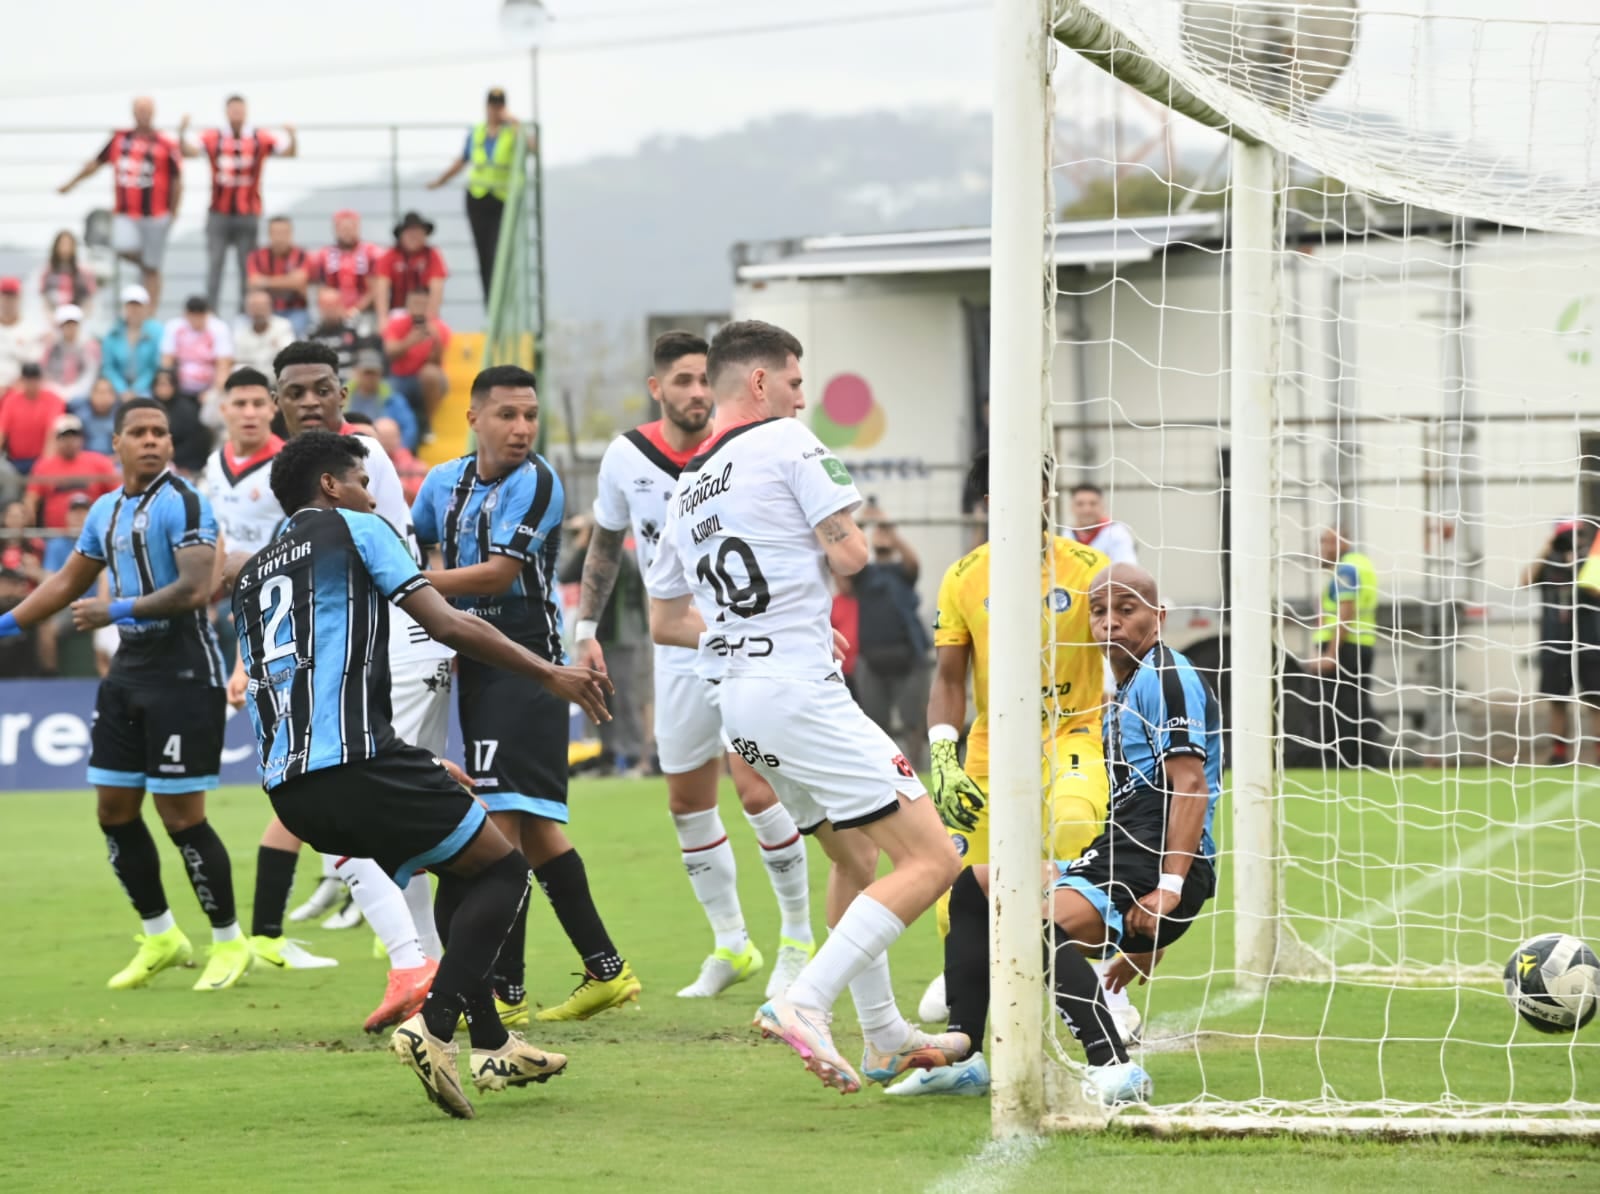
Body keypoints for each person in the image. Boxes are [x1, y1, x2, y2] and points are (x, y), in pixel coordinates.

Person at [234, 429, 610, 1118]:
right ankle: (434, 1028)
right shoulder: (357, 529)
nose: (371, 493)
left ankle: (493, 1042)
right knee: (505, 872)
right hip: (355, 762)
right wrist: (548, 672)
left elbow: (290, 683)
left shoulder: (255, 573)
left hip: (291, 787)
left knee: (460, 864)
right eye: (361, 481)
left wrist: (418, 760)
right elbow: (449, 624)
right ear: (330, 486)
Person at [646, 320, 964, 1094]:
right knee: (933, 858)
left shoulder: (686, 488)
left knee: (857, 858)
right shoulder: (789, 442)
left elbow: (664, 620)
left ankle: (883, 1035)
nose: (801, 395)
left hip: (741, 704)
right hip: (796, 690)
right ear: (759, 383)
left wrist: (741, 629)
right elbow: (851, 553)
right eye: (794, 381)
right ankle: (805, 1000)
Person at [919, 563, 1221, 1108]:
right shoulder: (1123, 690)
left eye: (1126, 610)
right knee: (975, 888)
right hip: (1124, 849)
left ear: (1158, 617)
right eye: (1100, 612)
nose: (1110, 622)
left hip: (1154, 857)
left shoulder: (1166, 677)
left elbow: (1191, 785)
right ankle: (964, 1056)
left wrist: (1170, 888)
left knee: (1029, 923)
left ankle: (1113, 1066)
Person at [579, 330, 815, 1000]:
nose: (696, 392)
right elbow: (605, 544)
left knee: (756, 791)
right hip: (676, 650)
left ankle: (797, 941)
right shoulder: (625, 457)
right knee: (686, 802)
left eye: (703, 379)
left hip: (747, 648)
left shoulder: (750, 448)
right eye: (681, 380)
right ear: (657, 388)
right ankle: (732, 944)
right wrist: (585, 629)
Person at [413, 364, 640, 1025]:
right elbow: (419, 542)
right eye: (508, 414)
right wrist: (424, 586)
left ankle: (503, 994)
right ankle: (606, 970)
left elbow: (497, 575)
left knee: (498, 830)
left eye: (530, 416)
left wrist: (414, 588)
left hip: (526, 667)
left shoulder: (537, 481)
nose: (522, 428)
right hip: (477, 665)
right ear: (474, 418)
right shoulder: (440, 482)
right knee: (536, 831)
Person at [0, 398, 246, 989]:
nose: (152, 440)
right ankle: (161, 935)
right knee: (113, 810)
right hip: (129, 673)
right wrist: (6, 624)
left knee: (181, 816)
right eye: (139, 432)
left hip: (184, 671)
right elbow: (67, 580)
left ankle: (229, 942)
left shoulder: (186, 501)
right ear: (116, 444)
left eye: (160, 432)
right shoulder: (106, 509)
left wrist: (117, 609)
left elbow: (194, 588)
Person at [895, 448, 1120, 1087]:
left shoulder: (1089, 569)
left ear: (1048, 495)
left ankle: (1099, 984)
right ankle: (968, 1047)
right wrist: (943, 753)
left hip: (1073, 731)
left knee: (1074, 822)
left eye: (1038, 488)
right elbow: (948, 678)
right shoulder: (964, 576)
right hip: (992, 747)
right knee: (955, 887)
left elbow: (1124, 651)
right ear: (990, 503)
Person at [254, 339, 459, 1028]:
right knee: (399, 828)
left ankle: (421, 966)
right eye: (295, 392)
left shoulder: (358, 458)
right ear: (278, 403)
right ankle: (437, 980)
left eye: (322, 388)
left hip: (394, 650)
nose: (310, 401)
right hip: (360, 658)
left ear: (344, 393)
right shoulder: (292, 478)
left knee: (346, 809)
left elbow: (378, 566)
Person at [58, 98, 182, 311]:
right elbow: (95, 163)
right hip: (125, 213)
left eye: (147, 110)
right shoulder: (120, 139)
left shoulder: (165, 143)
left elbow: (177, 179)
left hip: (156, 214)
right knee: (124, 248)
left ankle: (149, 313)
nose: (143, 114)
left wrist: (174, 212)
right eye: (140, 110)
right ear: (133, 113)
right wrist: (72, 183)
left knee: (153, 269)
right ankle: (145, 264)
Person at [177, 96, 297, 312]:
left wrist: (292, 135)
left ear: (246, 111)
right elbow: (189, 152)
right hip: (218, 212)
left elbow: (288, 152)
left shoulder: (259, 137)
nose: (237, 114)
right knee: (215, 265)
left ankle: (246, 313)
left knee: (247, 268)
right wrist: (181, 132)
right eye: (233, 110)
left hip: (248, 213)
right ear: (226, 112)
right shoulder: (213, 137)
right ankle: (211, 313)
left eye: (240, 110)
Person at [559, 514, 649, 775]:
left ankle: (633, 756)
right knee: (603, 700)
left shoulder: (618, 555)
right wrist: (583, 543)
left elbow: (570, 573)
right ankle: (609, 755)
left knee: (624, 699)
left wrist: (587, 539)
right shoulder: (602, 556)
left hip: (621, 638)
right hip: (603, 637)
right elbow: (566, 575)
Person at [851, 503, 933, 772]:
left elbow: (913, 563)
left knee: (913, 719)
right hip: (872, 658)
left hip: (909, 657)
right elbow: (847, 555)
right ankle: (883, 770)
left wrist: (891, 532)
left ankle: (916, 768)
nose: (882, 536)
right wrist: (864, 524)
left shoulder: (902, 572)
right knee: (875, 721)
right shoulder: (865, 574)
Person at [428, 88, 527, 302]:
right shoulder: (477, 131)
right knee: (483, 254)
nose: (495, 110)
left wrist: (516, 123)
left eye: (499, 106)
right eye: (492, 105)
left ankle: (502, 298)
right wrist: (441, 181)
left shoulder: (512, 131)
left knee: (498, 251)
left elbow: (530, 148)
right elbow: (463, 160)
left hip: (503, 199)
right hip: (478, 198)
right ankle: (489, 301)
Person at [1524, 520, 1600, 765]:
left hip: (1590, 640)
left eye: (1577, 535)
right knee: (1557, 700)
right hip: (1555, 640)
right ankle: (1559, 753)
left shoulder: (1592, 561)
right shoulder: (1548, 563)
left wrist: (1583, 563)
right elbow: (1525, 580)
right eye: (1567, 536)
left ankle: (1598, 752)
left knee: (1595, 699)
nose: (1573, 541)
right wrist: (1548, 549)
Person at [1309, 526, 1381, 768]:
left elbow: (1346, 611)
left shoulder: (1347, 569)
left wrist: (1331, 654)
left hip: (1345, 647)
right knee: (1355, 705)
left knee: (1340, 708)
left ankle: (1347, 761)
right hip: (1359, 644)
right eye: (1322, 542)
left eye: (1328, 542)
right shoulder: (1359, 564)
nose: (1323, 548)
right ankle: (1366, 760)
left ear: (1344, 542)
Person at [26, 414, 117, 529]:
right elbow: (31, 500)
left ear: (82, 438)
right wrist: (31, 528)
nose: (69, 441)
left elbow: (118, 495)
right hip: (55, 535)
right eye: (65, 437)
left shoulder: (100, 463)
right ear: (56, 439)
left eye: (74, 436)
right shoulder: (43, 466)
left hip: (94, 533)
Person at [382, 289, 449, 440]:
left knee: (430, 374)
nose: (418, 308)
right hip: (400, 377)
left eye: (422, 304)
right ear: (407, 305)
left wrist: (436, 340)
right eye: (415, 303)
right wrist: (409, 342)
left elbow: (437, 362)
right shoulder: (396, 324)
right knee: (387, 392)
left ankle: (427, 423)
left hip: (427, 381)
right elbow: (389, 353)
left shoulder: (438, 328)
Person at [160, 296, 235, 407]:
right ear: (186, 314)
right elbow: (167, 362)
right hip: (179, 388)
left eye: (200, 315)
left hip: (209, 387)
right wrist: (168, 387)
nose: (196, 319)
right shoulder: (174, 327)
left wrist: (214, 392)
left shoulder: (219, 328)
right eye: (193, 315)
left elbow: (223, 366)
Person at [312, 211, 382, 327]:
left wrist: (356, 310)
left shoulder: (371, 252)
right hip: (334, 314)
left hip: (365, 313)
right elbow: (323, 288)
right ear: (336, 230)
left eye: (351, 228)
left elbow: (375, 288)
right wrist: (337, 310)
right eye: (343, 228)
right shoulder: (325, 254)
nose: (347, 232)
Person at [246, 216, 312, 335]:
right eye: (276, 232)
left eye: (284, 232)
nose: (280, 237)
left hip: (295, 310)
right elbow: (254, 282)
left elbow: (299, 282)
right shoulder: (256, 256)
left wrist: (265, 281)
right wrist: (289, 281)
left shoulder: (301, 255)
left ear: (290, 234)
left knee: (294, 333)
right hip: (266, 312)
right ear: (269, 234)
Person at [375, 212, 448, 320]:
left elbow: (437, 288)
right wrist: (383, 318)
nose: (414, 237)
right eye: (409, 233)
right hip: (397, 312)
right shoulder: (390, 255)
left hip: (425, 312)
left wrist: (431, 318)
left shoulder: (432, 255)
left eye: (418, 233)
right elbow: (381, 288)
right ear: (401, 236)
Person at [0, 364, 68, 474]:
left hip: (41, 459)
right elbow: (2, 431)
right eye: (28, 380)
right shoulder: (11, 400)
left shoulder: (53, 400)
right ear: (22, 380)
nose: (32, 384)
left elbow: (52, 434)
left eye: (35, 379)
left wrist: (44, 465)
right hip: (15, 460)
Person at [101, 284, 164, 402]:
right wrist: (122, 390)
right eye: (130, 305)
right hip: (117, 389)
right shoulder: (112, 333)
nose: (134, 310)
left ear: (145, 307)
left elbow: (154, 366)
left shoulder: (157, 332)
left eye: (138, 305)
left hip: (147, 387)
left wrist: (136, 389)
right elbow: (109, 367)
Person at [347, 349, 418, 450]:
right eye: (367, 373)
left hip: (387, 450)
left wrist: (399, 449)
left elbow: (409, 428)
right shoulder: (343, 397)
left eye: (374, 373)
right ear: (356, 372)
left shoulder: (393, 398)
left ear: (380, 374)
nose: (370, 377)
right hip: (351, 448)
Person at [150, 367, 209, 477]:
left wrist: (172, 456)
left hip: (184, 463)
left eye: (167, 384)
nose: (164, 389)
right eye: (160, 384)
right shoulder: (148, 409)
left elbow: (195, 442)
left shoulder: (187, 409)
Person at [42, 304, 100, 403]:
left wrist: (72, 393)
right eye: (67, 324)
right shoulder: (51, 347)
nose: (70, 328)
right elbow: (45, 373)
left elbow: (89, 376)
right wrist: (57, 391)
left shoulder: (89, 346)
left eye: (74, 324)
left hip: (81, 397)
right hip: (54, 395)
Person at [1069, 483, 1139, 564]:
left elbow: (1126, 567)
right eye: (1080, 504)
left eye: (1093, 504)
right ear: (1071, 507)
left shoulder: (1116, 533)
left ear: (1102, 506)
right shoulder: (1065, 535)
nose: (1087, 510)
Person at [232, 288, 295, 374]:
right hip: (251, 378)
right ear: (247, 309)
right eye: (254, 306)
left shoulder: (283, 326)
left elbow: (288, 355)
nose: (258, 310)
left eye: (262, 306)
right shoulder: (240, 331)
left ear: (271, 307)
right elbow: (238, 361)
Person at [38, 230, 97, 320]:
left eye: (69, 244)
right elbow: (43, 299)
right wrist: (51, 318)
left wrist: (80, 318)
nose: (65, 248)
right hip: (53, 320)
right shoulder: (46, 272)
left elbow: (89, 299)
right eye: (62, 244)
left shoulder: (84, 273)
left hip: (76, 321)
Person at [0, 276, 45, 388]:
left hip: (18, 389)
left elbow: (33, 365)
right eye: (5, 296)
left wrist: (10, 387)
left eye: (12, 297)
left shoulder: (32, 328)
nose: (8, 301)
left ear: (19, 298)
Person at [373, 416, 426, 503]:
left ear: (399, 437)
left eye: (391, 436)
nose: (387, 441)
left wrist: (401, 487)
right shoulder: (365, 463)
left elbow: (422, 497)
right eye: (383, 437)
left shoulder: (416, 467)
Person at [71, 376, 120, 455]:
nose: (102, 398)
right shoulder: (81, 415)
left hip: (112, 460)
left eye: (106, 393)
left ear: (114, 396)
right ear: (90, 394)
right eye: (99, 392)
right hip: (86, 458)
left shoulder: (120, 418)